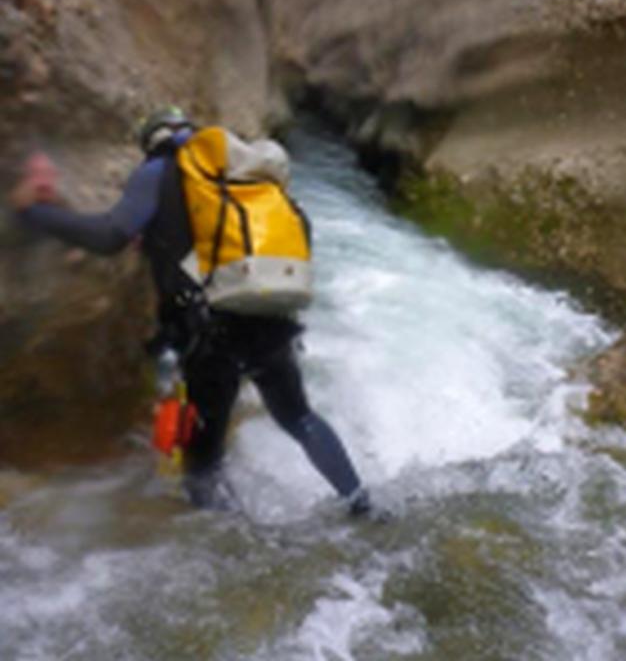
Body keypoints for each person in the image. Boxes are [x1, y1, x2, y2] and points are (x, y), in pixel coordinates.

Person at [10, 107, 375, 517]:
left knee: (203, 460)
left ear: (151, 142)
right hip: (271, 312)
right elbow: (297, 229)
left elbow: (110, 235)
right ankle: (363, 505)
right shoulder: (239, 178)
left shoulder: (159, 171)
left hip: (211, 330)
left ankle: (230, 549)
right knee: (298, 417)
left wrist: (35, 214)